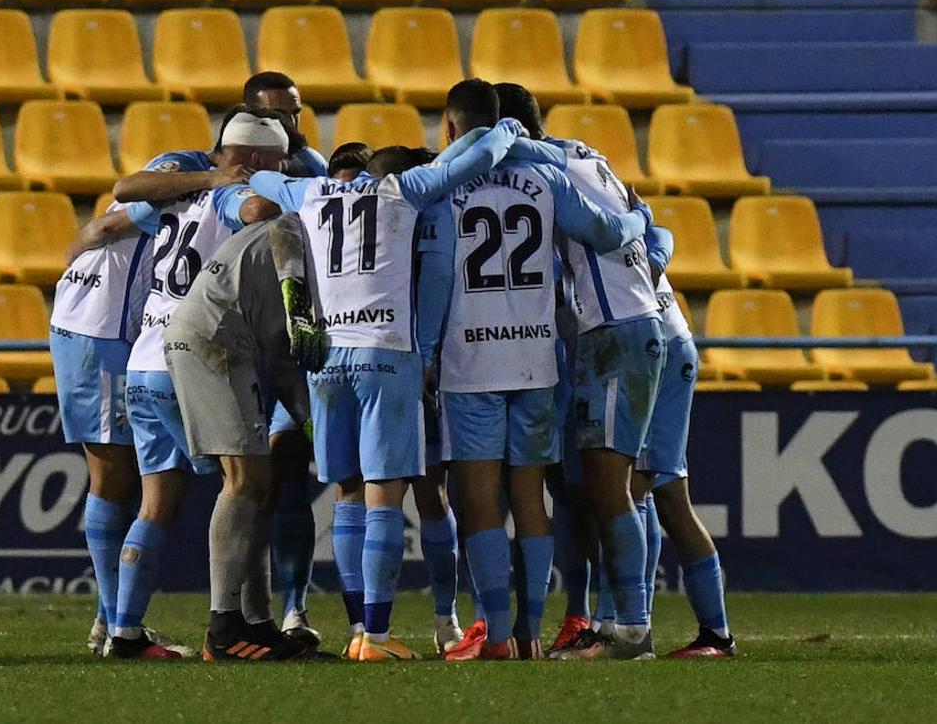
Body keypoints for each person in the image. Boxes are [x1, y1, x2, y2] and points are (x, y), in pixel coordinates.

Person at [249, 118, 530, 661]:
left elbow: (263, 182)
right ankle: (378, 635)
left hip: (325, 361)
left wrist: (236, 176)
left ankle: (359, 632)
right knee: (387, 494)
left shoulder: (312, 191)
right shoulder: (406, 190)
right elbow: (475, 159)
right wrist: (508, 127)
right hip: (388, 352)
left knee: (348, 494)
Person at [418, 79, 653, 661]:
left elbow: (441, 274)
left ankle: (495, 636)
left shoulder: (444, 183)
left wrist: (425, 349)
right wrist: (640, 223)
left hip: (471, 359)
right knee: (530, 500)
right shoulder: (546, 177)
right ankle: (529, 635)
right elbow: (600, 231)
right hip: (536, 358)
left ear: (450, 127)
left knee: (478, 503)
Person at [105, 110, 289, 659]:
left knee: (156, 502)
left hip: (144, 361)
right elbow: (256, 207)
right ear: (256, 160)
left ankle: (124, 632)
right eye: (275, 164)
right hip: (195, 357)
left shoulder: (174, 190)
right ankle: (237, 625)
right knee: (249, 484)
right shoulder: (232, 191)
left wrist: (204, 177)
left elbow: (127, 191)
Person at [493, 83, 667, 661]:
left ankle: (631, 629)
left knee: (609, 485)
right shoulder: (589, 155)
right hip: (625, 328)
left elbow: (507, 152)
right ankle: (621, 623)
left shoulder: (549, 161)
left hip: (615, 331)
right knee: (606, 484)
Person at [163, 205, 318, 661]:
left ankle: (257, 623)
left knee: (259, 486)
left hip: (216, 337)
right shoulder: (294, 238)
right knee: (245, 481)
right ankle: (223, 628)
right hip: (215, 341)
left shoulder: (289, 226)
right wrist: (309, 418)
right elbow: (281, 350)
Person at [48, 200, 191, 659]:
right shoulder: (178, 184)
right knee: (114, 478)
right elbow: (109, 223)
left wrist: (76, 247)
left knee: (124, 478)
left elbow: (98, 228)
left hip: (94, 330)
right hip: (101, 334)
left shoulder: (165, 185)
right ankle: (115, 626)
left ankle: (110, 621)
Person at [244, 71, 330, 636]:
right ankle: (246, 611)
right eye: (277, 114)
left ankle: (294, 608)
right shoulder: (237, 175)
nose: (291, 125)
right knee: (249, 481)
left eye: (295, 112)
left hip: (298, 343)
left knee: (290, 472)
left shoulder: (315, 170)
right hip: (249, 343)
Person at [638, 261, 738, 659]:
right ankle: (712, 633)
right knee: (663, 493)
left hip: (652, 344)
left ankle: (632, 627)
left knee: (634, 490)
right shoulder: (624, 204)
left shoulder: (577, 204)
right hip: (667, 338)